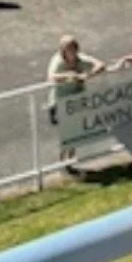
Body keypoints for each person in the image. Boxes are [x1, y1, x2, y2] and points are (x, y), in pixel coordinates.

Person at [46, 34, 106, 171]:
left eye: (73, 48)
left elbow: (101, 65)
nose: (71, 51)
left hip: (76, 102)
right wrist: (69, 75)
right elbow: (51, 77)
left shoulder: (81, 59)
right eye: (68, 49)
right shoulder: (57, 61)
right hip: (59, 103)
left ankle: (69, 162)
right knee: (67, 134)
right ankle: (64, 162)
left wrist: (88, 75)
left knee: (75, 133)